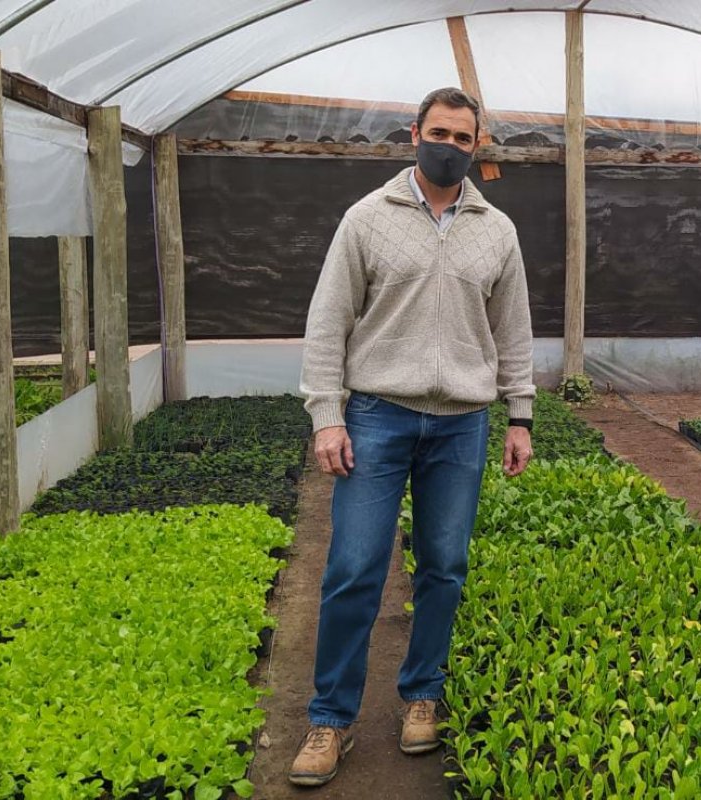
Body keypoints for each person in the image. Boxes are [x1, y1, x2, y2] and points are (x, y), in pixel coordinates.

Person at [289, 87, 536, 787]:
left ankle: (422, 694)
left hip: (462, 425)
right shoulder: (367, 218)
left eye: (462, 137)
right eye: (439, 133)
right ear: (413, 134)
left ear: (477, 145)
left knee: (445, 566)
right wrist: (327, 415)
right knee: (354, 568)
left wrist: (520, 415)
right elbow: (328, 321)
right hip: (378, 415)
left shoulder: (497, 231)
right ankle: (330, 718)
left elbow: (513, 329)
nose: (449, 146)